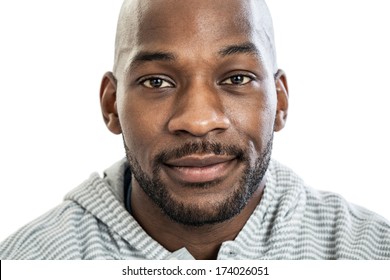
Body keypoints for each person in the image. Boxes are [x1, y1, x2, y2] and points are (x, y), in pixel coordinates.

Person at [1, 0, 389, 260]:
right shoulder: (28, 260)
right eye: (157, 82)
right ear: (111, 105)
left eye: (237, 77)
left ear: (280, 103)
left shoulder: (370, 252)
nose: (198, 120)